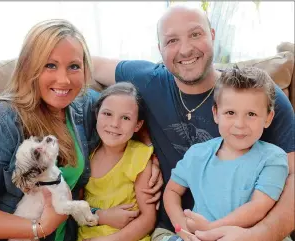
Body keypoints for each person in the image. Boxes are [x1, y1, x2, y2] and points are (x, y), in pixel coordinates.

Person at [91, 5, 295, 241]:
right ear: (160, 49)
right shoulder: (149, 80)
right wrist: (145, 142)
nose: (185, 49)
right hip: (174, 229)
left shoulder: (257, 96)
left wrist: (260, 234)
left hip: (249, 230)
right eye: (172, 41)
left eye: (195, 34)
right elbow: (90, 65)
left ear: (213, 35)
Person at [0, 19, 161, 241]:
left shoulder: (82, 105)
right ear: (29, 66)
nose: (64, 80)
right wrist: (39, 228)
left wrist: (151, 154)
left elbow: (126, 112)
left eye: (74, 66)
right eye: (50, 65)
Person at [163, 67, 289, 241]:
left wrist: (210, 229)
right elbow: (171, 191)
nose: (240, 124)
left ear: (268, 118)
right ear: (216, 114)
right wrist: (182, 227)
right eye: (230, 113)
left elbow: (258, 207)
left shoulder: (273, 158)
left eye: (251, 114)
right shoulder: (197, 154)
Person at [78, 82, 156, 241]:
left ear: (138, 125)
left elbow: (148, 219)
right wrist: (102, 216)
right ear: (96, 114)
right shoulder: (87, 154)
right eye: (107, 114)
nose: (114, 124)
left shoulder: (139, 157)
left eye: (126, 118)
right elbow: (76, 205)